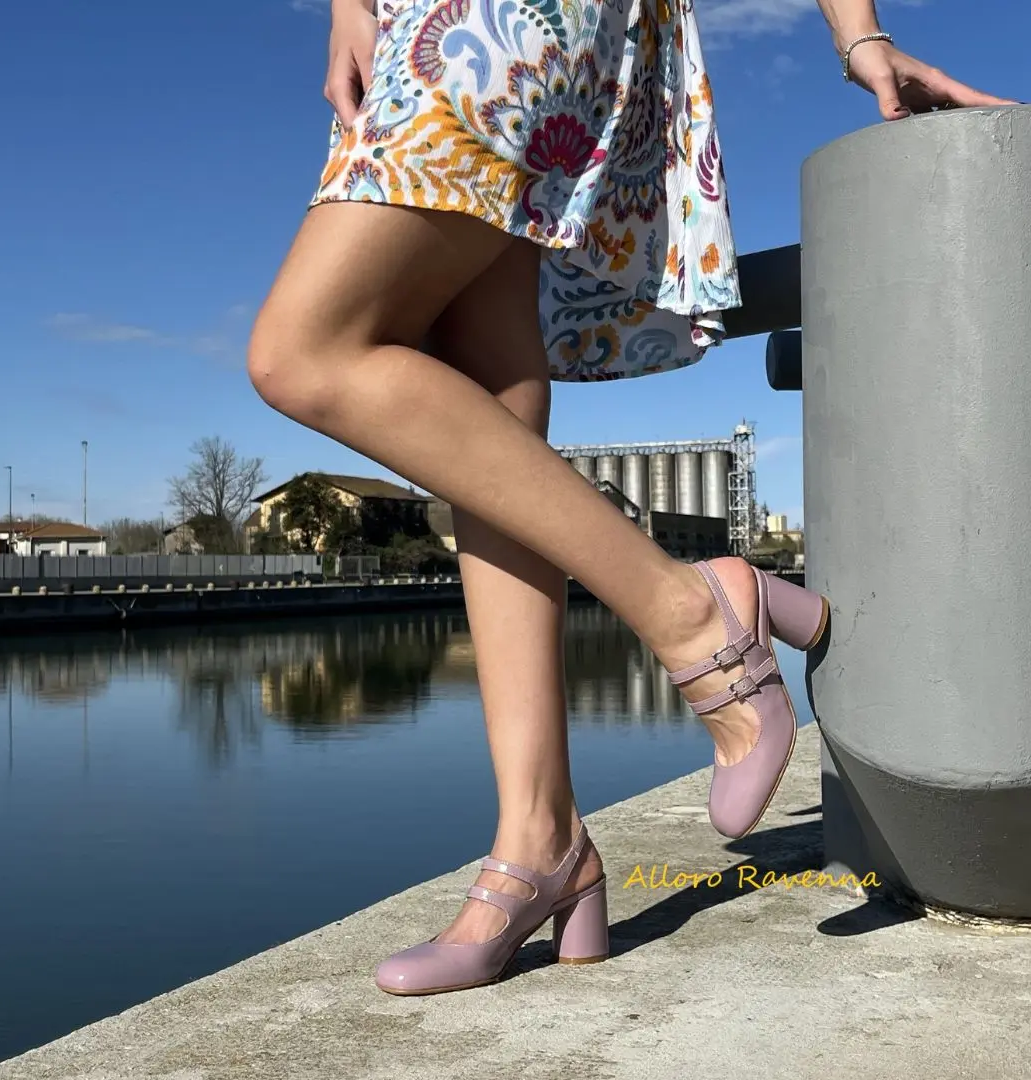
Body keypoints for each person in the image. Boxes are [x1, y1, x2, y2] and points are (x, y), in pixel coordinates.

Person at [247, 0, 1012, 996]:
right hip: (409, 21)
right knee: (483, 387)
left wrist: (856, 32)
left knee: (304, 350)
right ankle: (541, 841)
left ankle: (691, 611)